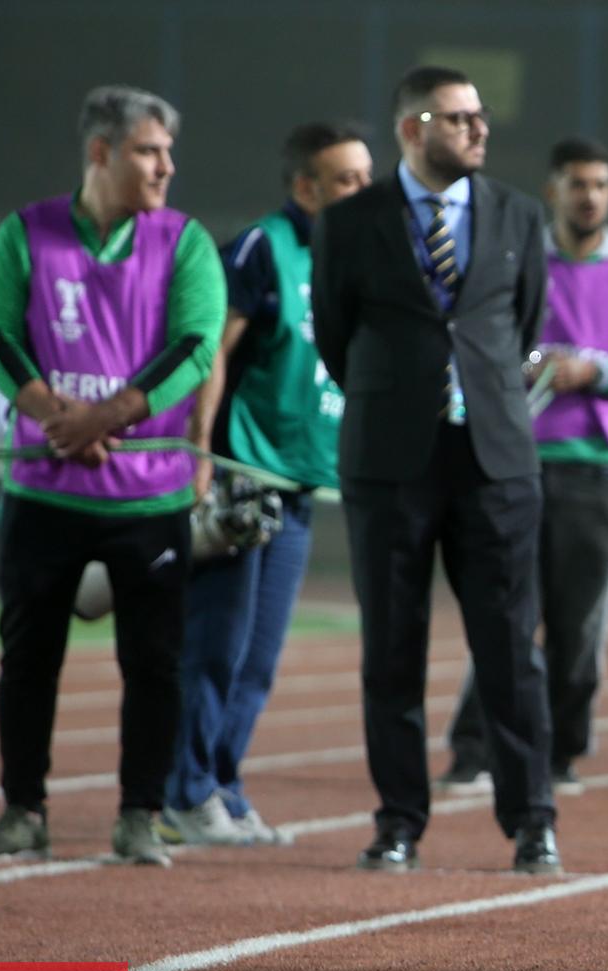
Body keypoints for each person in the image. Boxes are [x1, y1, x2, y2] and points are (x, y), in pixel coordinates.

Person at [0, 85, 224, 867]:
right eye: (149, 151)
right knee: (27, 657)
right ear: (101, 152)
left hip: (150, 494)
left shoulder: (186, 242)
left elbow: (195, 347)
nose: (166, 167)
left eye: (169, 153)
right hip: (46, 489)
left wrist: (101, 419)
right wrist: (55, 417)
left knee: (154, 663)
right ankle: (22, 810)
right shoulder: (24, 234)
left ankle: (139, 814)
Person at [311, 66, 560, 874]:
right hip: (389, 464)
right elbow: (335, 335)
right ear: (412, 129)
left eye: (479, 117)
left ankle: (532, 819)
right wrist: (399, 397)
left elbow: (523, 323)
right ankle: (398, 821)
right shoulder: (350, 222)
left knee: (510, 649)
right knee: (392, 649)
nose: (479, 130)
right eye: (458, 118)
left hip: (495, 460)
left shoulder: (518, 214)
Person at [160, 122, 373, 846]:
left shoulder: (355, 258)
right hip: (244, 477)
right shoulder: (261, 247)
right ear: (305, 188)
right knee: (217, 644)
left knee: (258, 659)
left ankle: (221, 784)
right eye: (346, 180)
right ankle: (185, 792)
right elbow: (211, 350)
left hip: (301, 481)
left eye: (366, 177)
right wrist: (199, 451)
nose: (363, 191)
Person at [439, 137, 608, 796]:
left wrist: (587, 370)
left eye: (600, 184)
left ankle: (561, 752)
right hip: (518, 457)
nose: (589, 196)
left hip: (596, 466)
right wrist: (528, 365)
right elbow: (483, 343)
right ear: (553, 190)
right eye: (577, 183)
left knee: (577, 621)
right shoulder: (520, 262)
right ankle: (473, 749)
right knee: (504, 609)